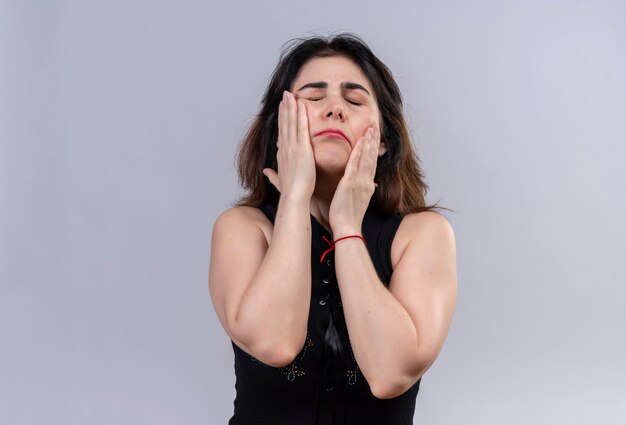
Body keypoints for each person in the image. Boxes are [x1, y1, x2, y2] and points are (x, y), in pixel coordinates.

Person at [209, 33, 457, 425]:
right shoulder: (241, 228)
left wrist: (346, 227)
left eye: (355, 100)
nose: (334, 109)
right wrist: (295, 197)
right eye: (312, 97)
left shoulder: (423, 234)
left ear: (383, 143)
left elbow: (391, 373)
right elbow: (275, 343)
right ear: (280, 128)